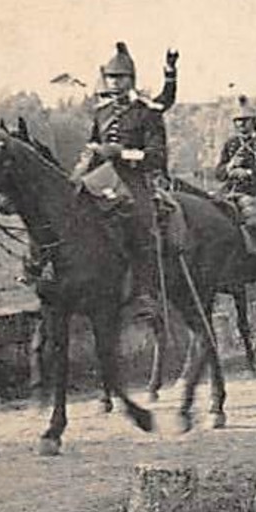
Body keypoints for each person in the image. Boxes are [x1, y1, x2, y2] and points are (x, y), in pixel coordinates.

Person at [72, 41, 183, 322]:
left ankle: (146, 293)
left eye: (120, 78)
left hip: (135, 178)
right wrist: (80, 172)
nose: (114, 83)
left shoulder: (147, 111)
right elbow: (92, 146)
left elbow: (156, 156)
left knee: (139, 222)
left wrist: (120, 153)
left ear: (131, 80)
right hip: (102, 178)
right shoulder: (102, 112)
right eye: (110, 77)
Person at [215, 95, 256, 260]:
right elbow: (219, 173)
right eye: (237, 121)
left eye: (245, 120)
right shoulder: (230, 145)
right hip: (228, 193)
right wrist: (230, 167)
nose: (241, 124)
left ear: (252, 122)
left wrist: (249, 173)